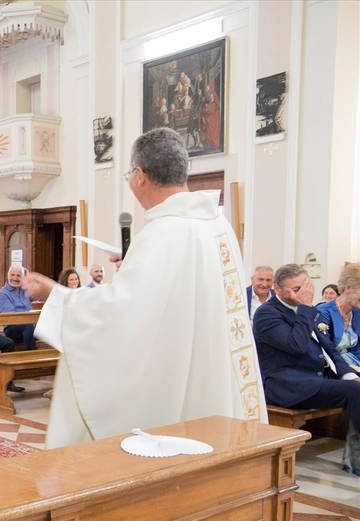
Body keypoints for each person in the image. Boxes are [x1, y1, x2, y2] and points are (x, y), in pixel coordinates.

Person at [22, 127, 267, 448]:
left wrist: (55, 294)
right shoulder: (219, 227)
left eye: (128, 174)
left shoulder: (162, 233)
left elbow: (118, 314)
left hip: (178, 391)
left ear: (139, 175)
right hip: (218, 386)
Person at [254, 264, 359, 476]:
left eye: (305, 286)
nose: (303, 293)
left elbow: (329, 349)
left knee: (354, 385)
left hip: (313, 378)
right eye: (296, 288)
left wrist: (349, 374)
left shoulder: (306, 312)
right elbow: (297, 345)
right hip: (287, 384)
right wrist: (304, 308)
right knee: (355, 392)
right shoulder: (266, 314)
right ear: (278, 289)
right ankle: (356, 459)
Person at [316, 264, 360, 373]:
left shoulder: (357, 311)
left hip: (355, 366)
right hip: (332, 370)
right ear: (348, 287)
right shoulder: (323, 312)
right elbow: (325, 352)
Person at [0, 265, 36, 350]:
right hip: (12, 328)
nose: (15, 278)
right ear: (8, 275)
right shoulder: (2, 293)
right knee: (29, 326)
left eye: (18, 276)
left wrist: (27, 280)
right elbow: (11, 316)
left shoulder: (25, 290)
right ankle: (31, 353)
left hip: (28, 325)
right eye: (12, 275)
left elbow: (37, 296)